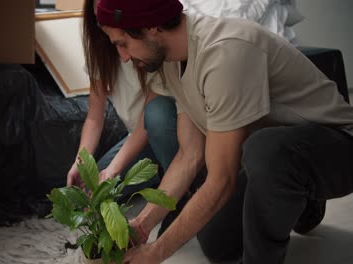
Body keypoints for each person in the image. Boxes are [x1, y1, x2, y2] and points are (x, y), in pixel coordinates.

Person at [94, 0, 353, 263]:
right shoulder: (171, 60)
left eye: (122, 44)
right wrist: (142, 224)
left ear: (150, 27)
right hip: (277, 158)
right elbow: (190, 154)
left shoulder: (225, 51)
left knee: (265, 148)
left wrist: (155, 254)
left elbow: (222, 179)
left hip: (337, 144)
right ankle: (303, 203)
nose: (124, 57)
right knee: (217, 242)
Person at [66, 0, 179, 201]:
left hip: (165, 131)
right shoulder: (102, 51)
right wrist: (81, 162)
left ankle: (176, 184)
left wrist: (114, 169)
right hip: (136, 138)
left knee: (157, 114)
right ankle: (155, 174)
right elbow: (94, 117)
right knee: (87, 194)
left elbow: (150, 121)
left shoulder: (147, 45)